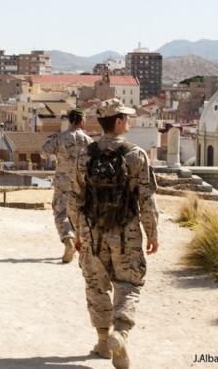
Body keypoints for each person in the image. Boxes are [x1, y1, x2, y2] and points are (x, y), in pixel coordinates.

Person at [68, 98, 159, 369]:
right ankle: (121, 332)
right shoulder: (135, 155)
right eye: (126, 117)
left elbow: (74, 199)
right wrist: (152, 233)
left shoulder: (85, 154)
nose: (129, 122)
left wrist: (78, 233)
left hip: (91, 232)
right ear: (118, 122)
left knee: (95, 286)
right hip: (126, 233)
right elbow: (146, 200)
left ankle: (103, 341)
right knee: (128, 284)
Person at [41, 107, 94, 263]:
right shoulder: (89, 141)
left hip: (63, 181)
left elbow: (44, 152)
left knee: (60, 213)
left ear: (70, 121)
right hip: (82, 183)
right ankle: (80, 245)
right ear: (82, 121)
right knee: (79, 214)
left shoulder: (60, 138)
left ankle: (68, 239)